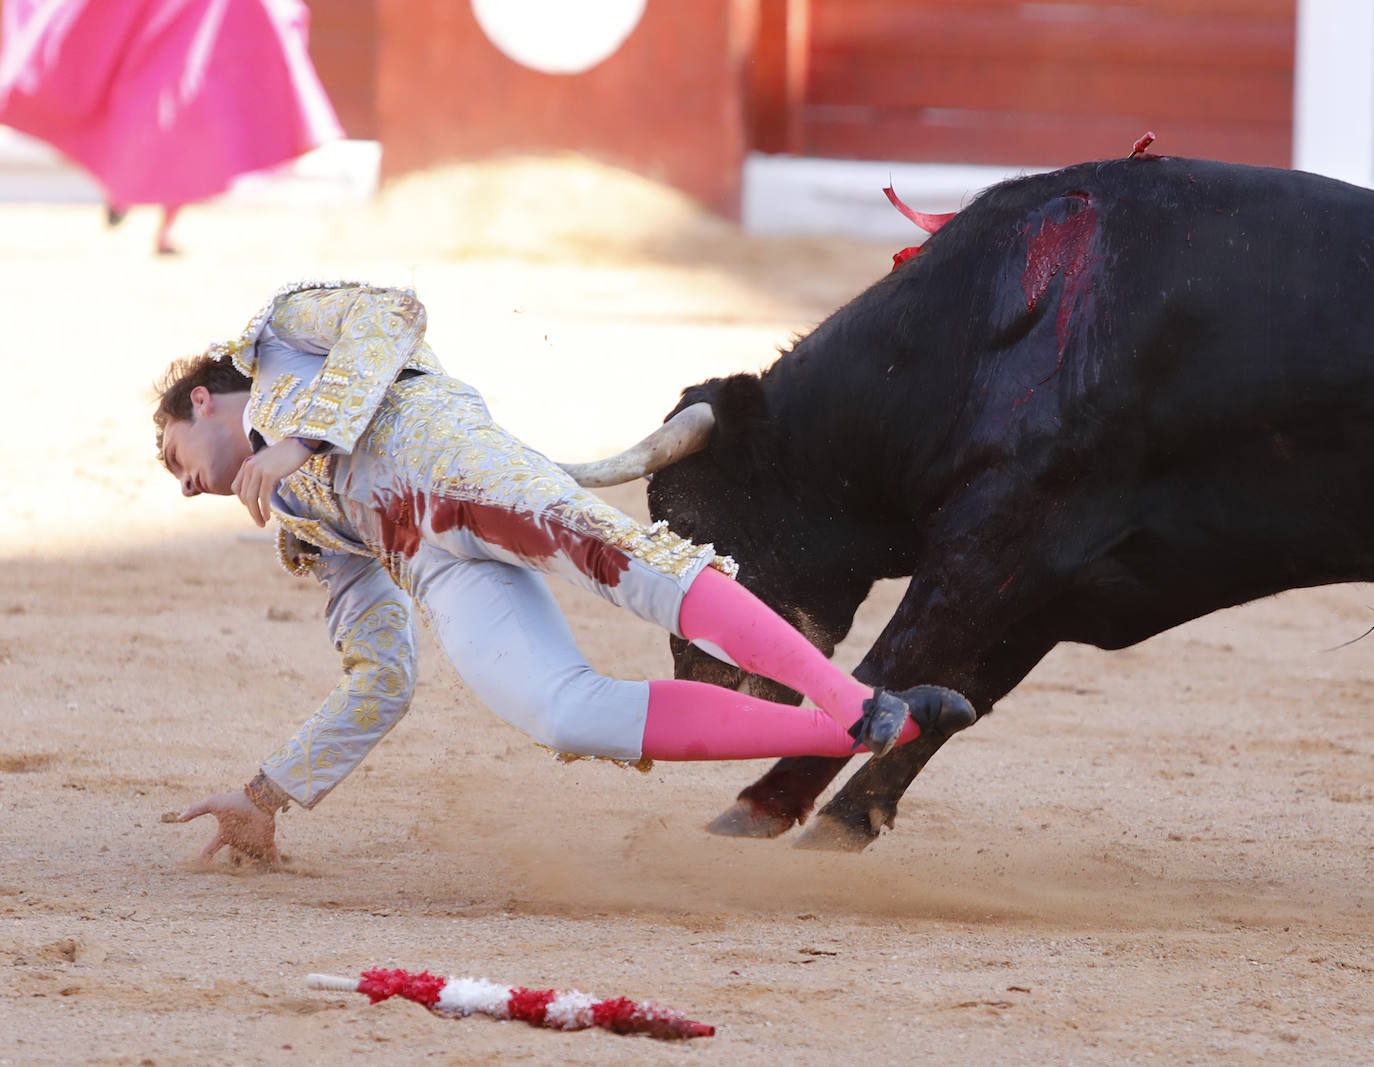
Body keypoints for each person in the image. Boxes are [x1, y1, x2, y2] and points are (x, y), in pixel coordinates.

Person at [155, 281, 973, 864]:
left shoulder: (278, 334)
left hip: (446, 458)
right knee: (561, 712)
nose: (186, 484)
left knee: (623, 563)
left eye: (173, 459)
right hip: (432, 564)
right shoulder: (298, 523)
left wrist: (306, 437)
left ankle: (852, 698)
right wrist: (266, 795)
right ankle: (869, 726)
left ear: (201, 400)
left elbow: (390, 311)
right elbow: (381, 675)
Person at [0, 0, 342, 254]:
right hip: (166, 12)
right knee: (156, 101)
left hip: (204, 13)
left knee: (184, 110)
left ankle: (154, 216)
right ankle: (126, 189)